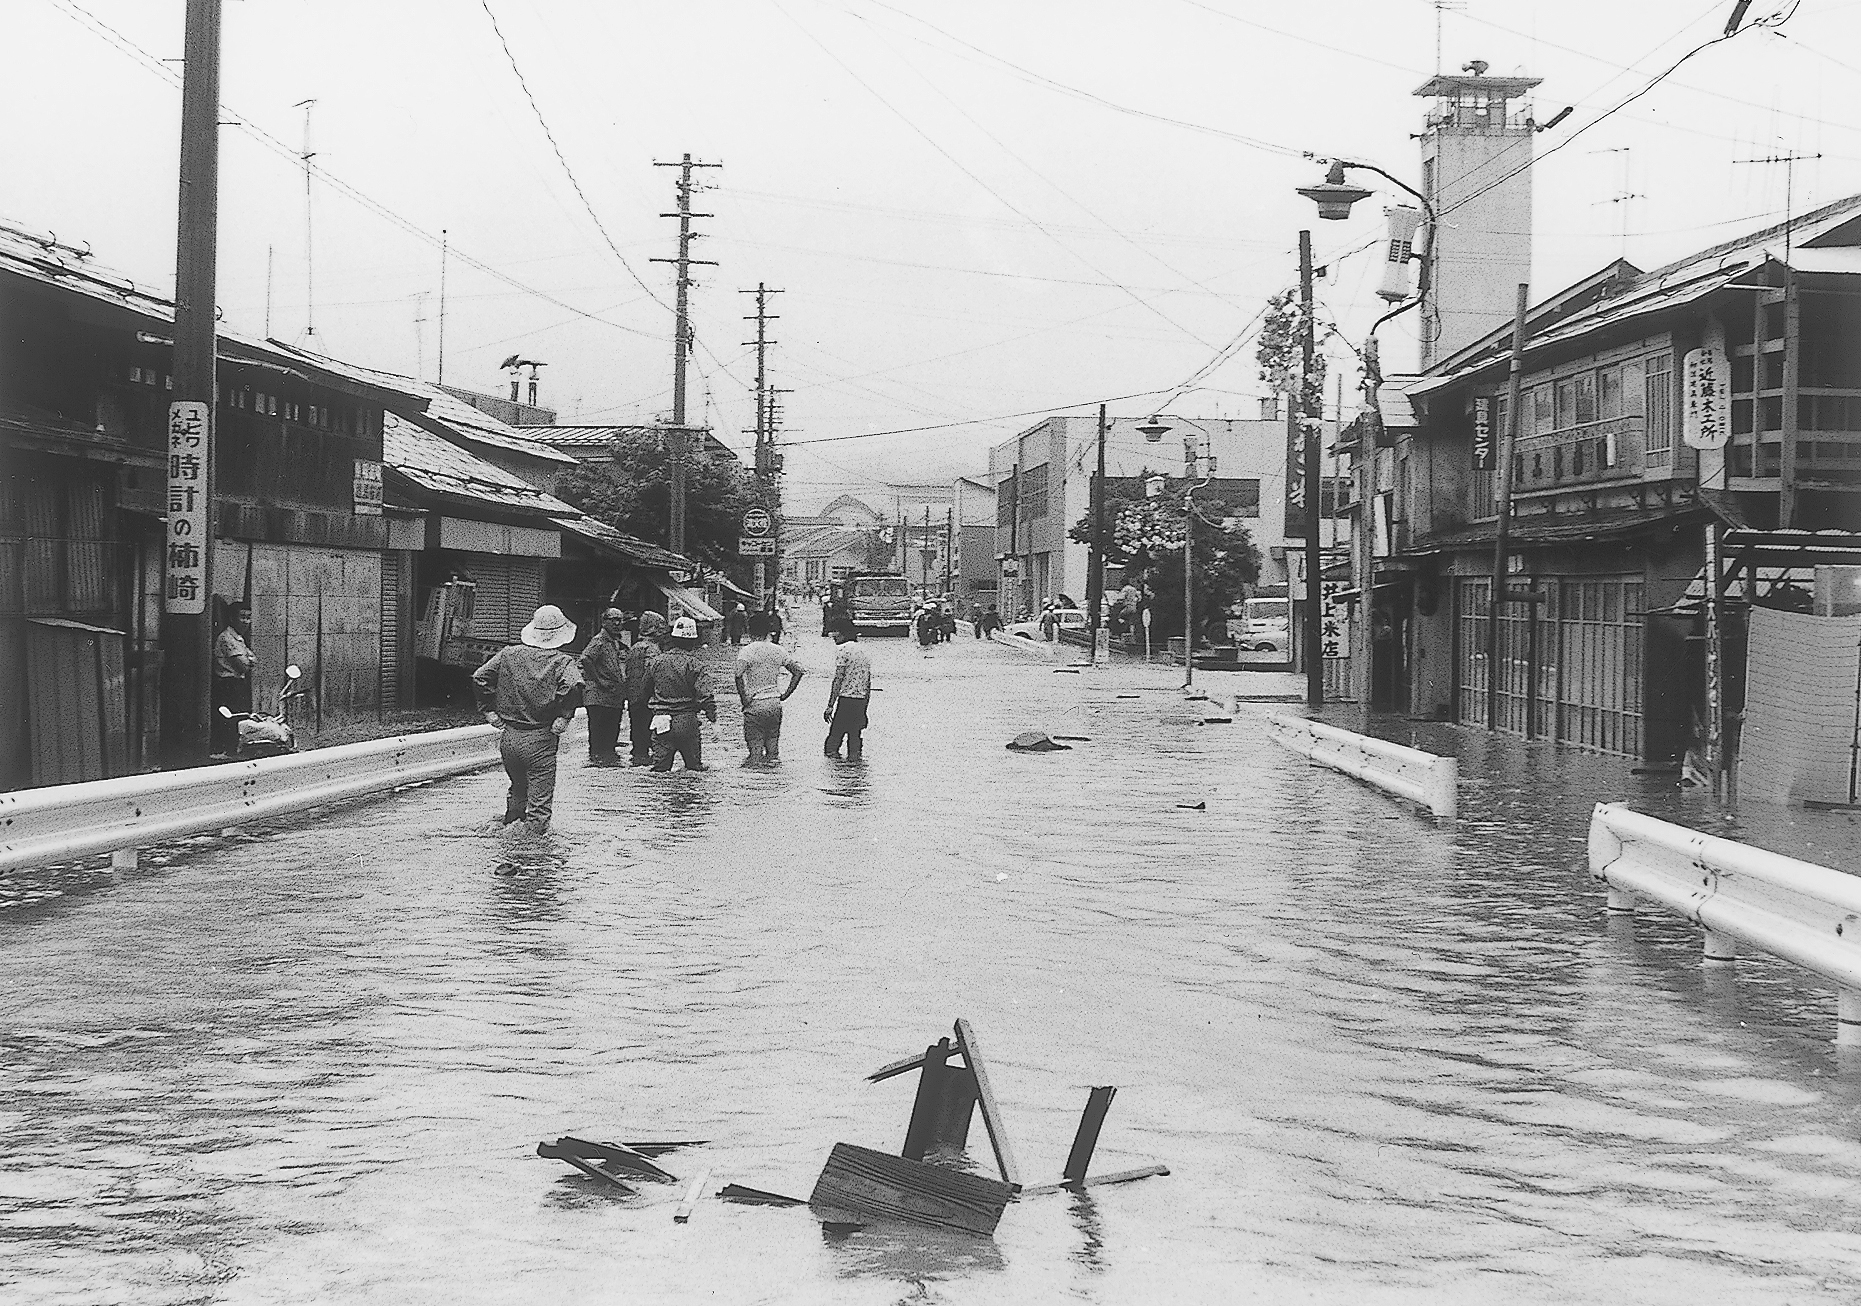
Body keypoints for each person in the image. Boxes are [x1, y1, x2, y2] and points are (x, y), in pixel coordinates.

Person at [472, 605, 584, 835]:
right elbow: (573, 685)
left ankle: (509, 845)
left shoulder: (508, 654)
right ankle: (533, 857)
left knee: (518, 791)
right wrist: (564, 716)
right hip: (540, 738)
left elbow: (480, 677)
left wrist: (488, 710)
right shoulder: (562, 662)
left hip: (510, 737)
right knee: (539, 806)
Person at [647, 616, 717, 772]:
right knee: (694, 769)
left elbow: (644, 690)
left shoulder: (656, 662)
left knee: (660, 771)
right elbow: (705, 695)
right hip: (687, 721)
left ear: (672, 638)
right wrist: (713, 720)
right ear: (693, 641)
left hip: (661, 721)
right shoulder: (695, 664)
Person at [734, 612, 805, 764]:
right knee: (773, 752)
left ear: (749, 629)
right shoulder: (778, 650)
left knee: (755, 754)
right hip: (774, 705)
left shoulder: (747, 651)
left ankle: (756, 784)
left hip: (755, 706)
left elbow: (738, 674)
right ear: (769, 630)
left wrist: (744, 699)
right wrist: (785, 695)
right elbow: (798, 672)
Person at [578, 607, 628, 766]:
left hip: (612, 695)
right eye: (613, 620)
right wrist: (600, 680)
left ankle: (608, 759)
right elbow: (586, 659)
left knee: (611, 730)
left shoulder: (614, 641)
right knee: (599, 731)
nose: (617, 623)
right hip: (599, 695)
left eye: (619, 620)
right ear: (604, 621)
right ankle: (599, 759)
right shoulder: (599, 640)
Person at [212, 601, 257, 756]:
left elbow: (252, 659)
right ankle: (226, 750)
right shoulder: (227, 638)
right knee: (231, 718)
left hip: (237, 682)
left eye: (248, 617)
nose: (245, 621)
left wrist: (249, 660)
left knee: (240, 717)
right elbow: (243, 665)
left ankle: (234, 749)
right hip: (227, 683)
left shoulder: (238, 638)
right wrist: (249, 660)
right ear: (232, 618)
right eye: (242, 617)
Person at [623, 611, 668, 766]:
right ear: (654, 629)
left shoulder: (634, 648)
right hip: (649, 702)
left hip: (634, 700)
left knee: (638, 742)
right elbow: (654, 675)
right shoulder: (652, 649)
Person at [823, 623, 874, 761]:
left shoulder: (842, 650)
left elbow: (838, 679)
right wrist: (865, 706)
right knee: (855, 738)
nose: (833, 636)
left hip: (846, 700)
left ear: (844, 634)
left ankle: (837, 773)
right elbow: (868, 682)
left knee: (833, 741)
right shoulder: (864, 652)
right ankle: (854, 770)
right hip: (860, 700)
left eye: (835, 632)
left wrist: (830, 706)